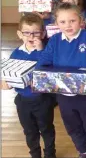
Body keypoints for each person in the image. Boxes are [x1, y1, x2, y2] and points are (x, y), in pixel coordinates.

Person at [37, 3, 86, 158]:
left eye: (72, 21)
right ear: (56, 23)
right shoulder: (54, 40)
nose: (68, 25)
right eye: (62, 22)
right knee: (72, 126)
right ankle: (83, 151)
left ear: (81, 20)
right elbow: (42, 62)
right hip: (63, 95)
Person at [1, 14, 56, 158]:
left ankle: (50, 153)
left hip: (42, 99)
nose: (31, 36)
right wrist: (6, 83)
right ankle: (35, 154)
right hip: (23, 101)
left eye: (36, 32)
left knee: (46, 129)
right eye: (26, 32)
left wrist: (40, 50)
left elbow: (49, 69)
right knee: (29, 131)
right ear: (20, 34)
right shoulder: (16, 54)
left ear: (43, 33)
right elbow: (10, 73)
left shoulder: (46, 52)